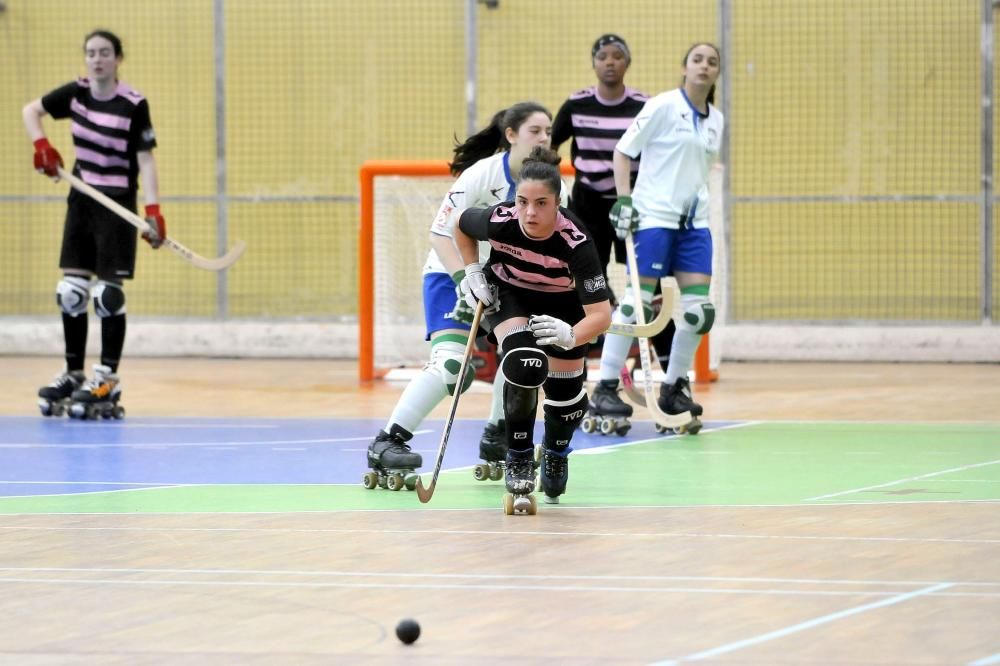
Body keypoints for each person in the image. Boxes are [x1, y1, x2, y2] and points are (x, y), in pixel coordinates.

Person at [365, 102, 567, 482]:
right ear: (511, 135)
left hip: (507, 281)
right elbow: (441, 231)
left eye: (548, 131)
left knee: (522, 357)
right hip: (450, 272)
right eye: (535, 131)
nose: (545, 138)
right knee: (454, 367)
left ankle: (497, 437)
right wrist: (465, 278)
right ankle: (388, 441)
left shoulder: (554, 186)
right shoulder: (482, 174)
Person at [453, 146, 612, 506]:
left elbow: (601, 316)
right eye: (523, 200)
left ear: (558, 203)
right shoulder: (501, 219)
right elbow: (459, 223)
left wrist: (571, 335)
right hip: (512, 295)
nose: (529, 212)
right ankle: (520, 457)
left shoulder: (578, 244)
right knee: (524, 364)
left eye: (541, 203)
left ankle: (555, 454)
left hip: (565, 305)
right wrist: (472, 272)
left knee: (566, 400)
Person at [24, 29, 166, 418]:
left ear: (119, 58)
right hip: (82, 200)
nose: (97, 59)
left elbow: (146, 159)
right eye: (91, 53)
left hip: (117, 204)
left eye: (105, 53)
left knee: (107, 297)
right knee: (71, 292)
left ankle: (106, 376)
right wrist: (43, 146)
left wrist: (153, 212)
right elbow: (30, 111)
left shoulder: (133, 104)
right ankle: (73, 372)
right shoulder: (76, 94)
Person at [551, 34, 677, 433]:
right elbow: (548, 152)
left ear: (627, 63)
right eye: (602, 56)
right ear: (593, 63)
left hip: (633, 205)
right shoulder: (576, 104)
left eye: (617, 56)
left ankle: (674, 380)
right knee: (590, 291)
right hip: (586, 206)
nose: (610, 62)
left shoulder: (645, 105)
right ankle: (590, 380)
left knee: (651, 290)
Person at [598, 42, 724, 431]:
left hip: (694, 223)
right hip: (653, 216)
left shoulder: (717, 119)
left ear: (717, 72)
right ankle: (605, 385)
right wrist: (623, 201)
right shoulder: (663, 105)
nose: (704, 66)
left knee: (698, 312)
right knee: (638, 305)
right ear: (684, 67)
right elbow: (623, 151)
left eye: (712, 62)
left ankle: (673, 386)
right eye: (697, 60)